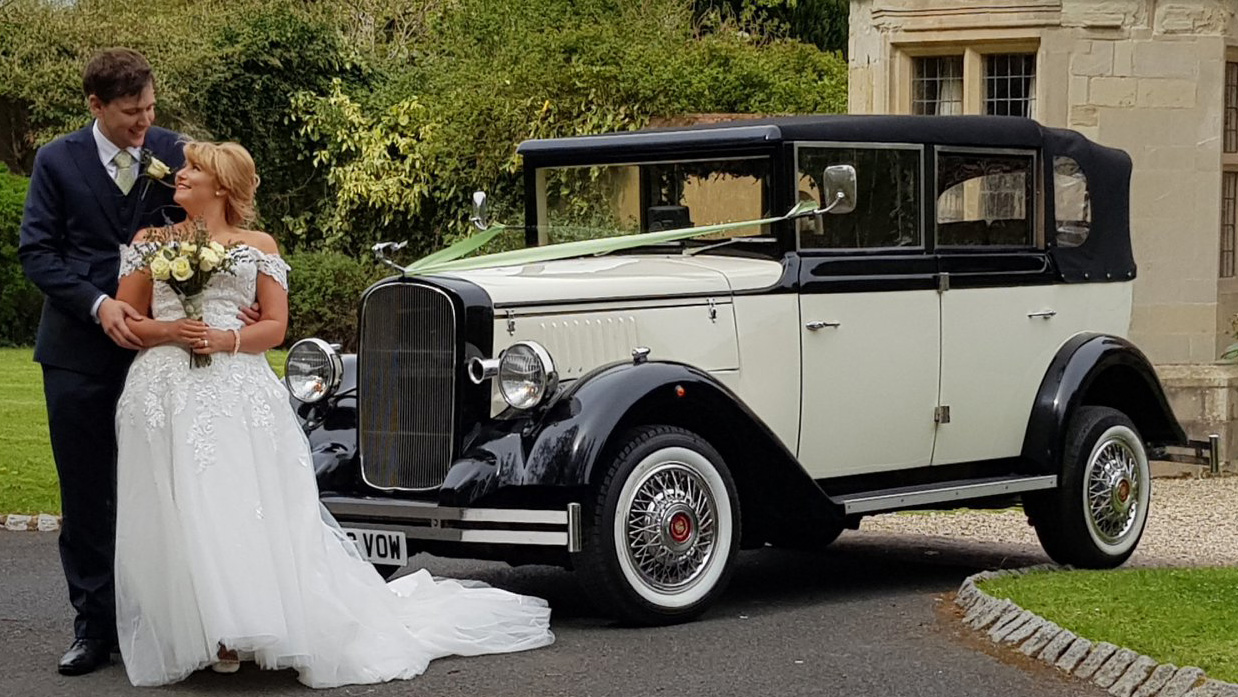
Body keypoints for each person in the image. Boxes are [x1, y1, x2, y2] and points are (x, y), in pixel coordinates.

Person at [111, 140, 554, 688]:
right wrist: (173, 331)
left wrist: (224, 337)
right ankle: (194, 629)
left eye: (193, 169)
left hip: (234, 386)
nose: (179, 174)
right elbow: (127, 320)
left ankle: (242, 629)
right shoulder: (150, 242)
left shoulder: (257, 246)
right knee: (174, 507)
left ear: (222, 185)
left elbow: (274, 327)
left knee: (233, 503)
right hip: (163, 390)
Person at [17, 48, 187, 676]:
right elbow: (37, 252)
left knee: (165, 488)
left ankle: (163, 621)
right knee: (87, 493)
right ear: (95, 105)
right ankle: (93, 629)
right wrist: (97, 305)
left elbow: (210, 230)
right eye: (130, 113)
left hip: (160, 352)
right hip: (77, 355)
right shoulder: (56, 160)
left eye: (149, 108)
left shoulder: (175, 150)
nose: (145, 123)